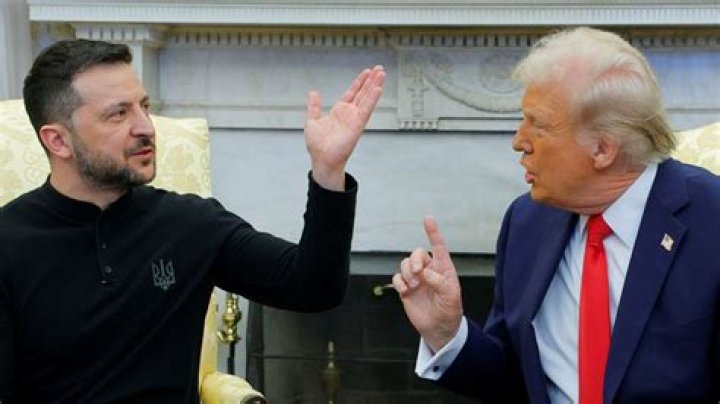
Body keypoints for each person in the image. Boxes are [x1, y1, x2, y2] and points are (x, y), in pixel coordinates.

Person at [0, 39, 384, 403]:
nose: (146, 127)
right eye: (119, 114)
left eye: (144, 107)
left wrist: (328, 171)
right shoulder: (8, 242)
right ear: (58, 141)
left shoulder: (189, 223)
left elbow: (315, 287)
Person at [393, 27, 720, 403]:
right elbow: (513, 378)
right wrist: (447, 333)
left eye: (539, 125)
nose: (519, 141)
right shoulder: (526, 221)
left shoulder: (710, 219)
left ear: (602, 149)